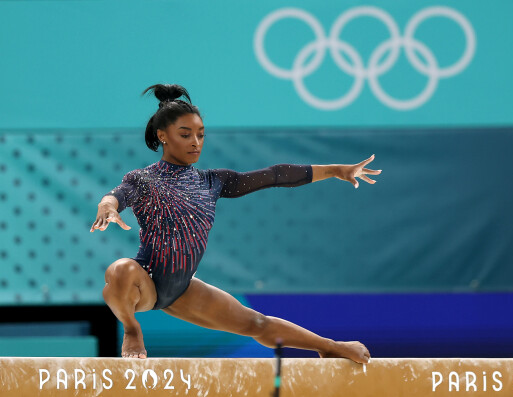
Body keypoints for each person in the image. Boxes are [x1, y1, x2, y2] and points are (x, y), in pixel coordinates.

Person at [90, 84, 381, 363]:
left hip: (181, 289)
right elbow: (116, 196)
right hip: (145, 283)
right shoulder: (144, 180)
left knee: (257, 323)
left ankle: (328, 347)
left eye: (201, 135)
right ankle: (131, 328)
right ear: (163, 136)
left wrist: (335, 170)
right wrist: (108, 208)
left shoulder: (212, 181)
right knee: (120, 270)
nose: (195, 142)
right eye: (185, 134)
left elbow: (274, 175)